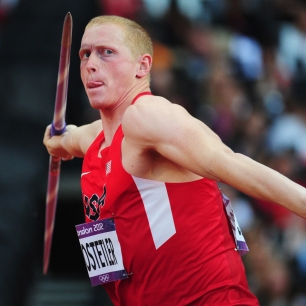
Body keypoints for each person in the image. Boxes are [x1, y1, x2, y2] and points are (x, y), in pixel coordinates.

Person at [43, 15, 306, 305]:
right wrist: (57, 141)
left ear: (142, 66)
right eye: (85, 54)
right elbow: (70, 139)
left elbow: (232, 164)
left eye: (107, 52)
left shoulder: (148, 116)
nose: (91, 63)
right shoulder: (96, 138)